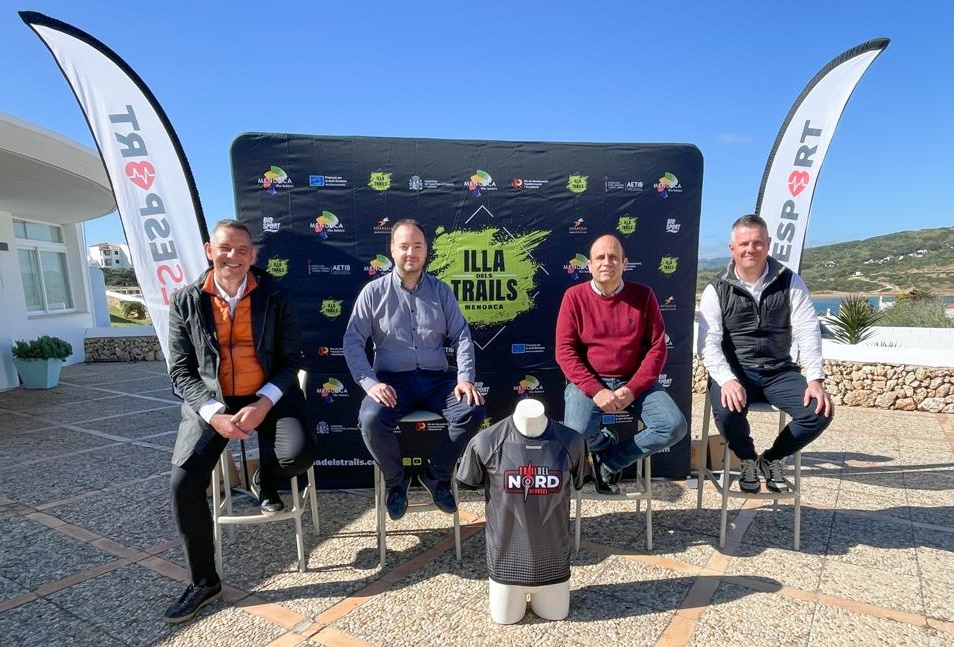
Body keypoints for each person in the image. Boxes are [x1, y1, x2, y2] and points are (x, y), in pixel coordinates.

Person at [164, 220, 317, 623]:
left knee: (296, 457)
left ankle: (264, 479)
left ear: (254, 256)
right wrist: (214, 415)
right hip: (212, 403)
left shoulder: (276, 295)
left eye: (242, 250)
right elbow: (180, 372)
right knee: (183, 484)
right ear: (209, 251)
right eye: (225, 248)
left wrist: (264, 403)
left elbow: (291, 361)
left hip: (266, 393)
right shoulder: (185, 300)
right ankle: (204, 581)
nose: (233, 256)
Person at [343, 218, 486, 520]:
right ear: (392, 250)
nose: (411, 252)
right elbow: (353, 341)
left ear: (426, 251)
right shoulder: (373, 292)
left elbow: (461, 335)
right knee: (370, 420)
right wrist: (370, 383)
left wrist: (464, 379)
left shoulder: (441, 291)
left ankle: (437, 475)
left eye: (417, 246)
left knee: (472, 410)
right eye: (404, 246)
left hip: (437, 381)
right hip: (393, 383)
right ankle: (397, 482)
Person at [698, 214, 833, 493]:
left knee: (819, 412)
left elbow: (808, 330)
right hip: (736, 373)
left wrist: (815, 379)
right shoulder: (717, 288)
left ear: (769, 244)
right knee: (725, 412)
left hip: (778, 372)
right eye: (744, 243)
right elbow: (708, 343)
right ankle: (747, 460)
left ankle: (771, 459)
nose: (751, 249)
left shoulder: (790, 281)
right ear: (732, 248)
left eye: (757, 242)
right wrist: (726, 379)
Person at [556, 234, 688, 494]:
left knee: (673, 426)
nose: (607, 262)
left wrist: (633, 388)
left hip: (634, 381)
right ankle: (605, 441)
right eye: (600, 257)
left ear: (625, 263)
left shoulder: (643, 295)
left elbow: (657, 348)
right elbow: (565, 351)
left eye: (613, 257)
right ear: (590, 266)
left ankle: (612, 459)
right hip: (589, 383)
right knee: (577, 436)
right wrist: (597, 390)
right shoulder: (574, 297)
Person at [456, 399, 586, 624]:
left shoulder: (572, 441)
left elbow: (580, 481)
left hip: (554, 569)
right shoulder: (485, 442)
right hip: (505, 570)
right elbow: (469, 481)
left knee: (557, 614)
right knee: (504, 619)